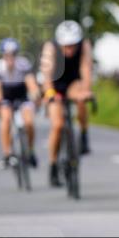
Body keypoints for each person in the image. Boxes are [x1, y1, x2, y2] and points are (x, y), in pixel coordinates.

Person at [41, 20, 94, 187]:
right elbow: (47, 76)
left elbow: (86, 71)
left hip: (72, 83)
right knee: (57, 125)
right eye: (66, 46)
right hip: (55, 85)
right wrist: (50, 94)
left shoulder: (84, 46)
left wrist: (86, 91)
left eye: (73, 45)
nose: (70, 50)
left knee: (81, 98)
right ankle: (53, 165)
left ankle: (84, 134)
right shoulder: (50, 49)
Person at [0, 38, 40, 169]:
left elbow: (30, 81)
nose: (10, 58)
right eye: (7, 55)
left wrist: (35, 92)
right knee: (6, 119)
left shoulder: (23, 64)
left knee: (29, 122)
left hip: (21, 94)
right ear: (3, 55)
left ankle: (30, 150)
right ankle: (7, 154)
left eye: (13, 54)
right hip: (5, 96)